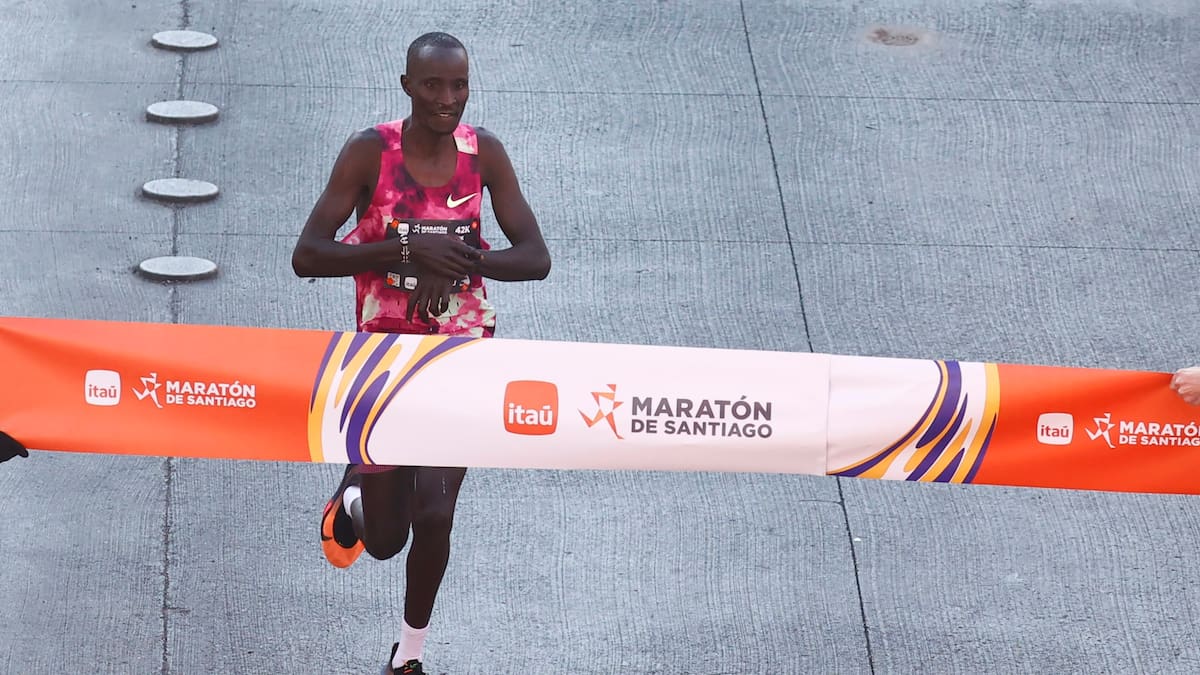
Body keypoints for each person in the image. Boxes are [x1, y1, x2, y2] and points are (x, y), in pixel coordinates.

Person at [291, 31, 550, 675]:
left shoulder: (483, 154)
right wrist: (403, 253)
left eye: (459, 85)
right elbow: (309, 255)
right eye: (433, 86)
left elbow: (535, 258)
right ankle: (353, 497)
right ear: (407, 85)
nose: (447, 99)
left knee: (435, 514)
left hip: (460, 357)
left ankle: (408, 656)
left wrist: (465, 261)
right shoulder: (368, 154)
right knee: (385, 542)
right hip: (382, 359)